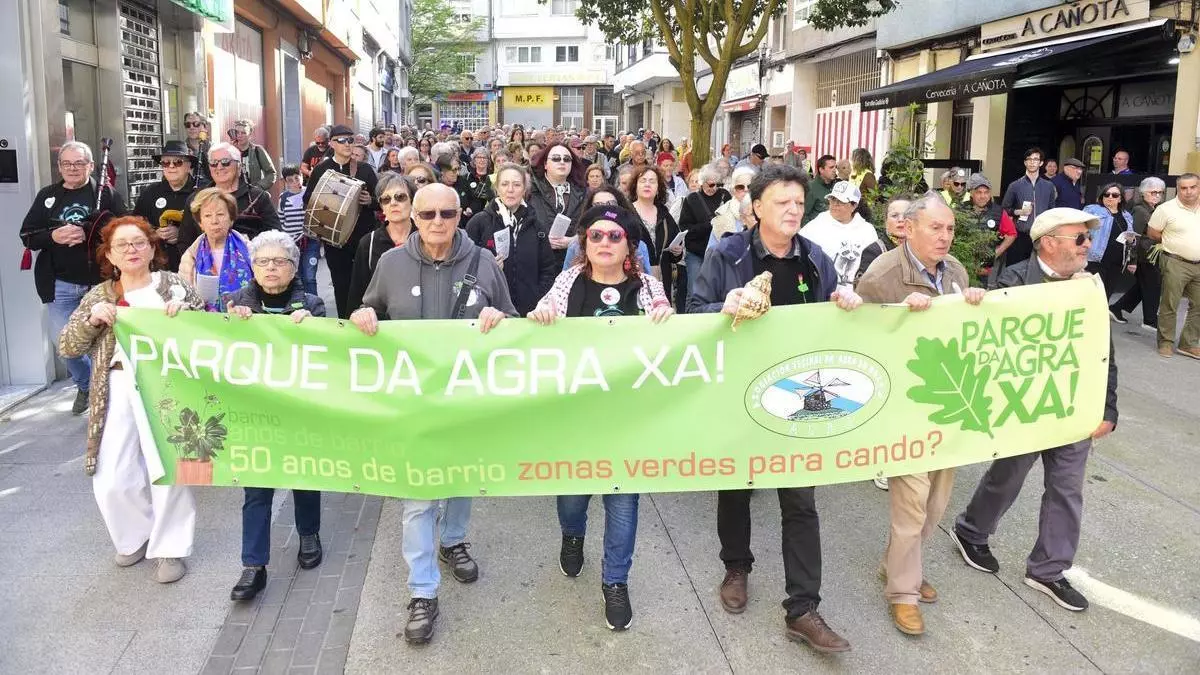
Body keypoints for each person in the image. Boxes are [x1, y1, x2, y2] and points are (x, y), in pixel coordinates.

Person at [688, 164, 861, 654]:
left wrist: (848, 301)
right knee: (737, 487)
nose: (793, 210)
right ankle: (736, 567)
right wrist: (724, 305)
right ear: (757, 206)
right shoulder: (728, 252)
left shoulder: (815, 257)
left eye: (798, 201)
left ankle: (802, 608)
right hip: (740, 396)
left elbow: (837, 314)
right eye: (781, 202)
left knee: (800, 503)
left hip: (800, 400)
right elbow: (694, 312)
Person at [349, 183, 516, 645]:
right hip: (412, 407)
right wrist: (363, 316)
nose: (437, 222)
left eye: (447, 212)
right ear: (413, 217)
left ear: (460, 214)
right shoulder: (391, 263)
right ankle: (422, 592)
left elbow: (513, 320)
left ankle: (454, 540)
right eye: (427, 214)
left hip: (465, 403)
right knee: (418, 498)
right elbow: (369, 309)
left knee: (461, 478)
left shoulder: (484, 263)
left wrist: (500, 320)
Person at [951, 207, 1119, 613]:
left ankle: (1048, 569)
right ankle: (972, 531)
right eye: (1078, 239)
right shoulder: (1012, 281)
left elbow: (1104, 353)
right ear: (1047, 242)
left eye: (1087, 238)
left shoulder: (1090, 289)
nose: (1088, 246)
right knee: (1008, 475)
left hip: (1073, 406)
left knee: (1067, 488)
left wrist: (1108, 407)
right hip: (1024, 407)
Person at [527, 205, 673, 631]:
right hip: (575, 417)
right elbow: (543, 315)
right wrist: (540, 317)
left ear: (629, 245)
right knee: (573, 500)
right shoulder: (569, 280)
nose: (605, 243)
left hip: (627, 421)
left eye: (614, 236)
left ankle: (615, 582)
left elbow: (672, 336)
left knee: (623, 504)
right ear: (584, 243)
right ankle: (572, 536)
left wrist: (666, 318)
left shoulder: (647, 287)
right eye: (596, 236)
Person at [855, 194, 987, 636]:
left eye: (949, 229)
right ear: (907, 228)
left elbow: (966, 335)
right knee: (911, 506)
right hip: (902, 409)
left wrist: (974, 304)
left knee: (936, 505)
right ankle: (904, 592)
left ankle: (897, 564)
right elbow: (855, 334)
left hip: (944, 405)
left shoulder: (956, 272)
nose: (945, 237)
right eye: (936, 228)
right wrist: (897, 318)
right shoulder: (883, 274)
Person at [58, 215, 203, 583]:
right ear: (110, 254)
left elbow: (208, 329)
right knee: (112, 473)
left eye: (139, 242)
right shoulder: (101, 294)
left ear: (153, 248)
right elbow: (68, 346)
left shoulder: (172, 285)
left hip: (168, 386)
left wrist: (187, 315)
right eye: (122, 245)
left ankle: (170, 547)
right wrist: (92, 320)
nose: (132, 250)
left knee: (168, 463)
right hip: (118, 386)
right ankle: (135, 535)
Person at [222, 230, 326, 601]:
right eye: (262, 261)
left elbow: (328, 354)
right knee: (256, 488)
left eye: (279, 261)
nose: (270, 268)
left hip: (299, 409)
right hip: (256, 413)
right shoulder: (234, 304)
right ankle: (253, 565)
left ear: (294, 267)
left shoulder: (312, 305)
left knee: (305, 474)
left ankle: (309, 534)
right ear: (252, 266)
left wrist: (314, 331)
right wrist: (232, 324)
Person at [19, 141, 128, 414]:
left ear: (91, 166)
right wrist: (52, 236)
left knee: (103, 345)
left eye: (79, 163)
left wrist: (91, 232)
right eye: (67, 163)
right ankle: (88, 385)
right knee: (64, 343)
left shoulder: (106, 194)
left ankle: (104, 394)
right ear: (59, 167)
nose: (72, 168)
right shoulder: (47, 196)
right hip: (60, 284)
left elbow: (125, 230)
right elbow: (27, 235)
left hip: (99, 284)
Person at [303, 124, 380, 318]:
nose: (347, 144)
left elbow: (381, 201)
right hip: (334, 240)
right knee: (340, 284)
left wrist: (370, 201)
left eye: (350, 140)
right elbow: (308, 200)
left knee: (365, 284)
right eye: (342, 140)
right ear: (331, 144)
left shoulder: (364, 170)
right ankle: (344, 324)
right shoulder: (322, 169)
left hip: (363, 239)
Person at [464, 164, 557, 315]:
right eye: (505, 184)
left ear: (524, 189)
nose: (510, 189)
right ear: (497, 188)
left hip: (530, 313)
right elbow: (464, 268)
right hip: (490, 313)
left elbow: (547, 269)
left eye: (517, 184)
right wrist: (487, 268)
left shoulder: (537, 226)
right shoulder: (479, 223)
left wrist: (537, 299)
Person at [178, 143, 279, 251]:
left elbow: (276, 237)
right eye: (214, 163)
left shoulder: (257, 197)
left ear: (239, 166)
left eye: (225, 162)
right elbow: (185, 242)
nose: (219, 167)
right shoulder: (197, 199)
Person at [1146, 173, 1200, 359]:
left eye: (1192, 187)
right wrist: (1174, 242)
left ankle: (1188, 344)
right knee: (1170, 302)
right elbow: (1153, 233)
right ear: (1178, 189)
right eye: (1183, 188)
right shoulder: (1166, 209)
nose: (1188, 192)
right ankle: (1166, 342)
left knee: (1198, 305)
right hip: (1175, 261)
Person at [347, 174, 417, 314]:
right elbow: (357, 295)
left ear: (412, 202)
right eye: (386, 199)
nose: (393, 203)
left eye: (400, 197)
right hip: (380, 326)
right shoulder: (368, 243)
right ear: (382, 207)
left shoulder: (425, 239)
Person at [179, 188, 254, 310]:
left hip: (244, 320)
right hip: (204, 323)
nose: (214, 221)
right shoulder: (191, 255)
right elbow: (183, 295)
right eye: (207, 216)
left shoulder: (249, 249)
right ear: (200, 223)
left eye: (220, 214)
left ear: (231, 219)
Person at [134, 140, 202, 272]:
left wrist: (182, 233)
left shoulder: (200, 193)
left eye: (177, 162)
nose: (171, 166)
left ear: (189, 166)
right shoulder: (150, 192)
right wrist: (154, 233)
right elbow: (135, 225)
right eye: (166, 162)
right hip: (157, 268)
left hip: (193, 267)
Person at [1110, 177, 1167, 330]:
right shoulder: (1140, 210)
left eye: (1159, 193)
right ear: (1143, 192)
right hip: (1143, 255)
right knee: (1152, 285)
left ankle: (1116, 308)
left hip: (1150, 253)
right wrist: (1132, 260)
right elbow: (1132, 235)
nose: (1156, 196)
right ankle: (1150, 320)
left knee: (1144, 286)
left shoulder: (1154, 209)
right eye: (1153, 192)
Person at [799, 181, 877, 288]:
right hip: (824, 295)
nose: (835, 204)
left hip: (857, 296)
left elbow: (874, 265)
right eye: (833, 199)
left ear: (854, 205)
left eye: (841, 201)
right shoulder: (816, 226)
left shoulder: (867, 230)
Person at [630, 166, 685, 311]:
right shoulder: (627, 214)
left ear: (658, 188)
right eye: (643, 181)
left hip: (662, 279)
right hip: (634, 278)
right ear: (635, 186)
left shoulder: (664, 214)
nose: (647, 184)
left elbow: (675, 253)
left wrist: (677, 251)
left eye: (652, 181)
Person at [680, 164, 733, 300]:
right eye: (710, 185)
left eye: (717, 184)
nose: (714, 188)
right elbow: (686, 229)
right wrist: (709, 225)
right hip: (697, 253)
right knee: (694, 292)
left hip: (719, 252)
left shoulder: (724, 195)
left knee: (719, 292)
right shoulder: (691, 200)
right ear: (702, 183)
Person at [530, 143, 586, 266]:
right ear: (545, 164)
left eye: (566, 159)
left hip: (573, 264)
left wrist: (575, 240)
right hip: (538, 264)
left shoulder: (584, 193)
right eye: (556, 158)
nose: (562, 162)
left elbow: (593, 227)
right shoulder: (529, 191)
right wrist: (540, 240)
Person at [1001, 147, 1058, 265]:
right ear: (1025, 162)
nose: (1032, 162)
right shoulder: (1015, 185)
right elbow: (1004, 209)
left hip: (1041, 236)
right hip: (1021, 235)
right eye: (1029, 159)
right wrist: (1018, 212)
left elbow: (1052, 210)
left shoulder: (1049, 186)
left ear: (1041, 163)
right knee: (1016, 269)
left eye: (1036, 159)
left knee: (1039, 270)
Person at [961, 173, 1017, 286]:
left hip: (983, 270)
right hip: (961, 266)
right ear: (971, 193)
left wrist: (995, 254)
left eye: (986, 192)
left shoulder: (998, 212)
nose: (983, 196)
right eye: (979, 192)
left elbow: (1011, 234)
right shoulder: (960, 210)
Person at [1083, 182, 1134, 302]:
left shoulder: (1126, 215)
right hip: (1096, 259)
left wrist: (1132, 240)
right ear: (1102, 197)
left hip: (1117, 261)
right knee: (1093, 295)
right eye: (1107, 194)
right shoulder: (1093, 210)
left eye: (1115, 195)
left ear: (1120, 198)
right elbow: (1081, 230)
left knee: (1106, 295)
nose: (1110, 197)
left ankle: (1099, 319)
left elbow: (1131, 238)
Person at [277, 164, 318, 297]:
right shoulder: (283, 198)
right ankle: (299, 304)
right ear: (285, 182)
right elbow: (281, 221)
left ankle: (313, 305)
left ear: (302, 176)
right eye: (291, 180)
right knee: (296, 276)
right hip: (292, 244)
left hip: (310, 241)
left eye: (297, 177)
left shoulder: (309, 194)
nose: (295, 182)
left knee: (309, 277)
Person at [857, 194, 911, 289]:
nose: (901, 220)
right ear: (886, 222)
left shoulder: (921, 249)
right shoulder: (874, 251)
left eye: (906, 215)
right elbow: (864, 290)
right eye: (894, 216)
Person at [231, 119, 277, 192]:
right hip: (234, 194)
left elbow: (271, 174)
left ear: (250, 134)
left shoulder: (257, 150)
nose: (239, 135)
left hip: (253, 196)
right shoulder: (229, 151)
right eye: (237, 132)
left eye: (243, 133)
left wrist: (259, 187)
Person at [460, 148, 495, 218]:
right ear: (474, 160)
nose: (482, 160)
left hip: (490, 215)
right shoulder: (466, 177)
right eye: (479, 157)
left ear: (488, 161)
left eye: (484, 158)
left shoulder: (493, 177)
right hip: (470, 215)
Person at [802, 155, 837, 225]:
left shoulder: (837, 186)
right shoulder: (811, 187)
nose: (834, 170)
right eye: (831, 167)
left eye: (835, 167)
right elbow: (803, 215)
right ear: (821, 170)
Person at [182, 111, 212, 184]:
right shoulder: (181, 150)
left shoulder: (213, 149)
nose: (191, 127)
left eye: (196, 124)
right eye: (187, 124)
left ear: (204, 126)